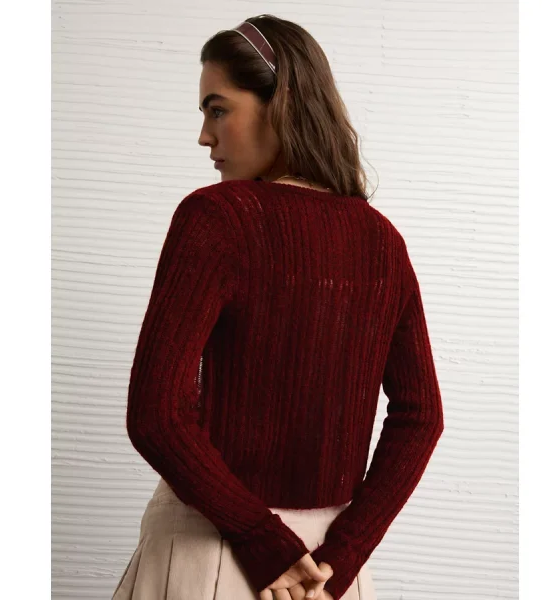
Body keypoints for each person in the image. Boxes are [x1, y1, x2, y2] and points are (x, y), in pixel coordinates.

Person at [112, 14, 444, 600]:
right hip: (324, 572)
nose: (205, 136)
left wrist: (261, 538)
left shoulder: (216, 218)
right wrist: (343, 556)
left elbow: (157, 414)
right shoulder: (381, 240)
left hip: (213, 547)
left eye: (218, 110)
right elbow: (421, 417)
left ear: (280, 104)